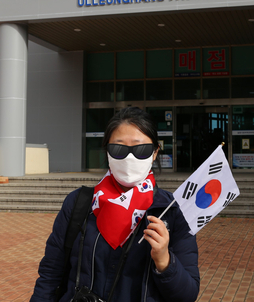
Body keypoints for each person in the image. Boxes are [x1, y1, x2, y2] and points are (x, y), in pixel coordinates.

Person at [31, 107, 200, 302]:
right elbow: (50, 276)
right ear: (108, 151)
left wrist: (164, 261)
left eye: (141, 149)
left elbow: (187, 295)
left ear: (155, 153)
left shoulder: (172, 211)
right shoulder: (79, 203)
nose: (130, 158)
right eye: (119, 149)